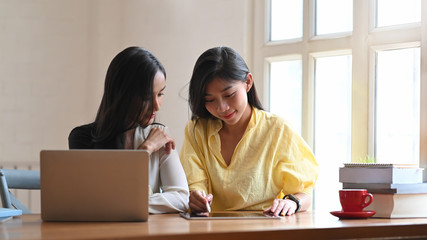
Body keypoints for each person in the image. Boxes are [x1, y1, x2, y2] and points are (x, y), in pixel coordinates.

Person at [180, 46, 319, 216]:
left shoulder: (277, 129)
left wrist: (292, 203)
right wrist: (196, 197)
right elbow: (195, 183)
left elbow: (304, 192)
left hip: (264, 228)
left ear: (248, 82)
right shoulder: (197, 130)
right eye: (210, 100)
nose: (222, 108)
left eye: (229, 94)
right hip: (212, 229)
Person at [68, 46, 189, 214]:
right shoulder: (82, 138)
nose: (156, 106)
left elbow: (182, 198)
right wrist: (145, 150)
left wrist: (130, 202)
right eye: (147, 97)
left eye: (160, 94)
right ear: (122, 94)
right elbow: (94, 202)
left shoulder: (159, 135)